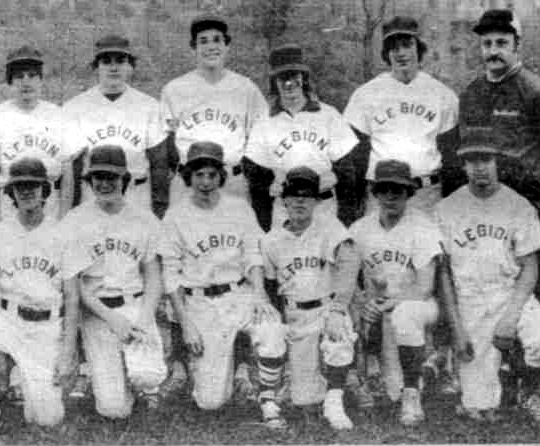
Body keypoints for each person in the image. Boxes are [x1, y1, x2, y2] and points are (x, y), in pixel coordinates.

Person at [434, 127, 540, 430]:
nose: (480, 167)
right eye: (472, 160)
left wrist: (511, 316)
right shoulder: (447, 208)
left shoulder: (517, 205)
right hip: (469, 298)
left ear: (498, 162)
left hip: (509, 291)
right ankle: (488, 377)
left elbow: (530, 266)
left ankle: (526, 391)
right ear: (463, 165)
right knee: (480, 408)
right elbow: (443, 274)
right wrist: (457, 330)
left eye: (486, 159)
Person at [160, 141, 288, 429]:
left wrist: (259, 296)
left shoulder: (238, 208)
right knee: (211, 402)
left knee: (271, 326)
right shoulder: (176, 216)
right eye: (199, 175)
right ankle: (220, 368)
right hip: (200, 303)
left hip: (238, 293)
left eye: (211, 174)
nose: (205, 182)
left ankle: (268, 398)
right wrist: (186, 323)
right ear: (188, 177)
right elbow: (171, 274)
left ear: (221, 176)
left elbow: (253, 254)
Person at [0, 157, 86, 434]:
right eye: (20, 186)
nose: (27, 191)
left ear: (44, 190)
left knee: (46, 419)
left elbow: (73, 298)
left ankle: (24, 382)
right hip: (8, 320)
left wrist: (68, 349)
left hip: (46, 327)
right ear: (11, 193)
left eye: (33, 186)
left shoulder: (63, 235)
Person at [459, 8, 540, 320]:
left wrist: (534, 190)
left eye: (501, 43)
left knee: (528, 296)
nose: (493, 51)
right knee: (487, 288)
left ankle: (527, 364)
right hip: (483, 208)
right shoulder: (472, 94)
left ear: (517, 45)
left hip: (527, 209)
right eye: (487, 44)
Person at [59, 145, 167, 418]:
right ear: (90, 181)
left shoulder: (143, 218)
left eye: (112, 177)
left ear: (125, 180)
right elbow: (76, 285)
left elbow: (153, 274)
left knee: (148, 376)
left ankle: (140, 381)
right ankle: (110, 377)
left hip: (134, 305)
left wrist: (144, 317)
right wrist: (112, 318)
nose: (104, 183)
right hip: (96, 311)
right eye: (98, 177)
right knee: (113, 410)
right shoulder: (75, 220)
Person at [260, 166, 359, 430]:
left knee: (341, 332)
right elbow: (270, 285)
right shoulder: (272, 240)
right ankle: (301, 391)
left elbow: (350, 261)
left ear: (316, 200)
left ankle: (335, 400)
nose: (300, 201)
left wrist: (338, 309)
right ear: (284, 200)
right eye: (294, 195)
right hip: (296, 315)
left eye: (307, 195)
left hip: (326, 309)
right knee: (305, 399)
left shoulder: (329, 227)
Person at [350, 159, 444, 426]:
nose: (390, 196)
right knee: (391, 391)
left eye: (398, 190)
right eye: (384, 189)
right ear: (375, 192)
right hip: (377, 307)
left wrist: (392, 301)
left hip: (416, 305)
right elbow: (346, 279)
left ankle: (412, 393)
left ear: (409, 192)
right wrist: (361, 301)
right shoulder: (359, 229)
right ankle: (361, 377)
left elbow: (425, 287)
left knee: (404, 315)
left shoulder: (423, 226)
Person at [342, 16, 460, 218]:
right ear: (387, 54)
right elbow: (353, 156)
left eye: (407, 45)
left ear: (418, 49)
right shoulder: (366, 94)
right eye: (394, 48)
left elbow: (451, 156)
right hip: (381, 194)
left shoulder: (442, 94)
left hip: (426, 194)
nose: (401, 53)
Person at [158, 13, 269, 206]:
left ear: (227, 45)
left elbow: (263, 136)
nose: (211, 47)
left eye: (217, 40)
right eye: (203, 41)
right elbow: (164, 142)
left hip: (231, 179)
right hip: (189, 180)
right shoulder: (174, 89)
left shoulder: (245, 88)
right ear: (194, 47)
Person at [244, 44, 357, 231]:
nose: (289, 84)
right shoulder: (264, 122)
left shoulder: (328, 115)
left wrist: (346, 221)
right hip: (284, 209)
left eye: (294, 77)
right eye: (282, 78)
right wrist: (271, 185)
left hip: (323, 206)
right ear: (274, 82)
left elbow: (347, 174)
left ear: (303, 79)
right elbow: (257, 180)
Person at [62, 34, 171, 216]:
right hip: (94, 193)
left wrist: (159, 210)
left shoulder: (150, 106)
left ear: (130, 66)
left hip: (136, 193)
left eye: (120, 61)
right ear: (96, 67)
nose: (113, 67)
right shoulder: (75, 107)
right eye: (106, 61)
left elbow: (159, 164)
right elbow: (73, 167)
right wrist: (73, 211)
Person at [0, 46, 74, 224]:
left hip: (50, 203)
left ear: (41, 80)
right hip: (10, 204)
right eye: (19, 77)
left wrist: (63, 219)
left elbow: (67, 174)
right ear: (10, 82)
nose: (26, 82)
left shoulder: (59, 116)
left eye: (32, 76)